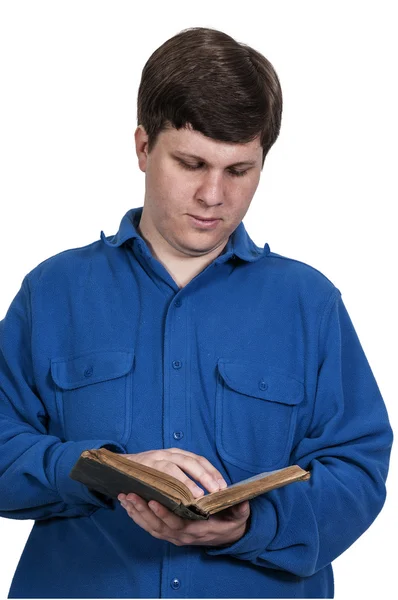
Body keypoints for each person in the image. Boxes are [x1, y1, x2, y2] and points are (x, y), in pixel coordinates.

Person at [0, 26, 393, 599]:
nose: (214, 195)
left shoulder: (311, 304)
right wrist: (96, 469)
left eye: (239, 170)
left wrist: (255, 523)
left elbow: (358, 468)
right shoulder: (53, 291)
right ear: (142, 147)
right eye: (191, 163)